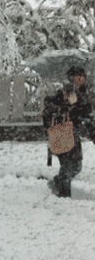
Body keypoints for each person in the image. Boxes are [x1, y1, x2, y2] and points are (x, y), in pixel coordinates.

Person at [42, 66, 95, 197]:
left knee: (76, 167)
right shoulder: (63, 93)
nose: (80, 79)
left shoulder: (85, 93)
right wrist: (65, 108)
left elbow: (86, 116)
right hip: (63, 134)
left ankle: (57, 184)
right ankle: (63, 196)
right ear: (70, 78)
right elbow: (48, 111)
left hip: (74, 136)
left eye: (82, 76)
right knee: (67, 167)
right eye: (77, 76)